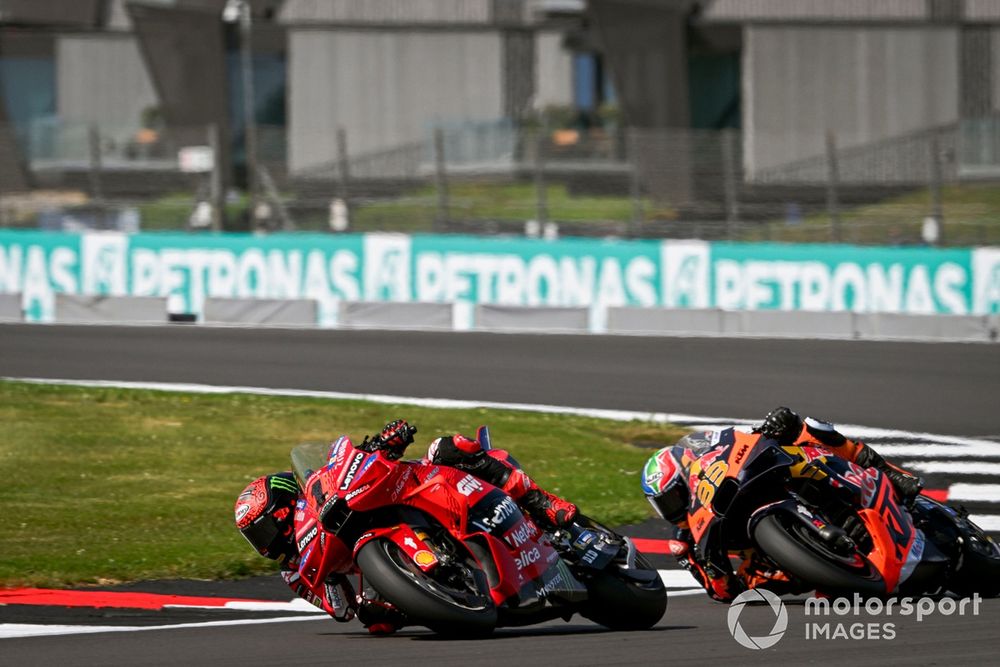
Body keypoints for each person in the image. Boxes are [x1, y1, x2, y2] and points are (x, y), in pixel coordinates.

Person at [234, 419, 579, 633]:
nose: (264, 545)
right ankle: (453, 590)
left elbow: (351, 463)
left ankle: (543, 503)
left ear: (281, 510)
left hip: (411, 488)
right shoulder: (294, 573)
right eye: (254, 538)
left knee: (450, 448)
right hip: (379, 575)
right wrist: (362, 601)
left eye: (262, 531)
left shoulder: (313, 496)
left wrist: (384, 442)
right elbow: (338, 607)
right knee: (378, 622)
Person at [643, 406, 924, 602]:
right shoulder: (683, 542)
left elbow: (736, 442)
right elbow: (719, 592)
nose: (673, 508)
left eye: (674, 496)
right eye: (663, 504)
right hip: (764, 555)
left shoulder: (704, 451)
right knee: (749, 588)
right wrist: (714, 571)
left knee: (810, 430)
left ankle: (890, 475)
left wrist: (776, 427)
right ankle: (826, 573)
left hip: (755, 483)